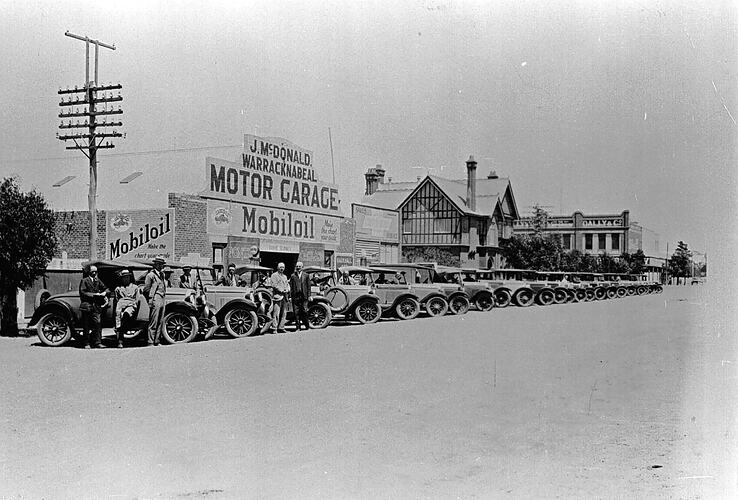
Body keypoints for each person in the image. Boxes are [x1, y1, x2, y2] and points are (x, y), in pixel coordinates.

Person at [78, 264, 109, 349]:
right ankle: (86, 343)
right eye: (93, 271)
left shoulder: (98, 281)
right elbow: (83, 292)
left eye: (96, 271)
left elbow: (106, 288)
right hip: (87, 306)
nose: (94, 273)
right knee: (86, 326)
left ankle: (97, 342)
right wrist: (94, 295)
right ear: (89, 272)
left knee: (98, 324)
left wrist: (104, 293)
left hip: (96, 307)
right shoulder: (84, 281)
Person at [143, 256, 167, 346]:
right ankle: (150, 341)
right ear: (155, 265)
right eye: (160, 264)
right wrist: (151, 299)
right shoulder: (150, 275)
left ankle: (157, 340)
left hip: (162, 298)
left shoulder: (162, 275)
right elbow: (146, 289)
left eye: (162, 264)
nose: (161, 266)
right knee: (154, 321)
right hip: (155, 298)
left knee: (160, 321)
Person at [114, 269, 139, 348]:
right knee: (118, 319)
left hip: (131, 304)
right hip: (121, 304)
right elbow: (117, 298)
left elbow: (137, 299)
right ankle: (120, 340)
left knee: (126, 315)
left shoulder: (135, 287)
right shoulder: (118, 288)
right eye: (124, 278)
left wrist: (132, 304)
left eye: (127, 277)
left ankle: (122, 333)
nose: (126, 279)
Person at [289, 261, 311, 332]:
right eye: (297, 266)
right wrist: (290, 296)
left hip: (304, 297)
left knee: (304, 311)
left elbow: (308, 287)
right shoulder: (293, 276)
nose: (298, 268)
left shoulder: (306, 275)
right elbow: (291, 287)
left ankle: (307, 326)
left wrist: (309, 296)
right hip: (295, 297)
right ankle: (298, 327)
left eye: (299, 266)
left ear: (302, 267)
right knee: (296, 313)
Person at [269, 262, 290, 333]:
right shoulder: (274, 275)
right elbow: (274, 285)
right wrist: (281, 290)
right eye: (280, 267)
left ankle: (281, 327)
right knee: (276, 313)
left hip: (284, 296)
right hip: (277, 296)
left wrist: (287, 289)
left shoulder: (285, 276)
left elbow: (287, 285)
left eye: (283, 267)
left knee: (284, 313)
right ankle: (274, 328)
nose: (282, 269)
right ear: (277, 268)